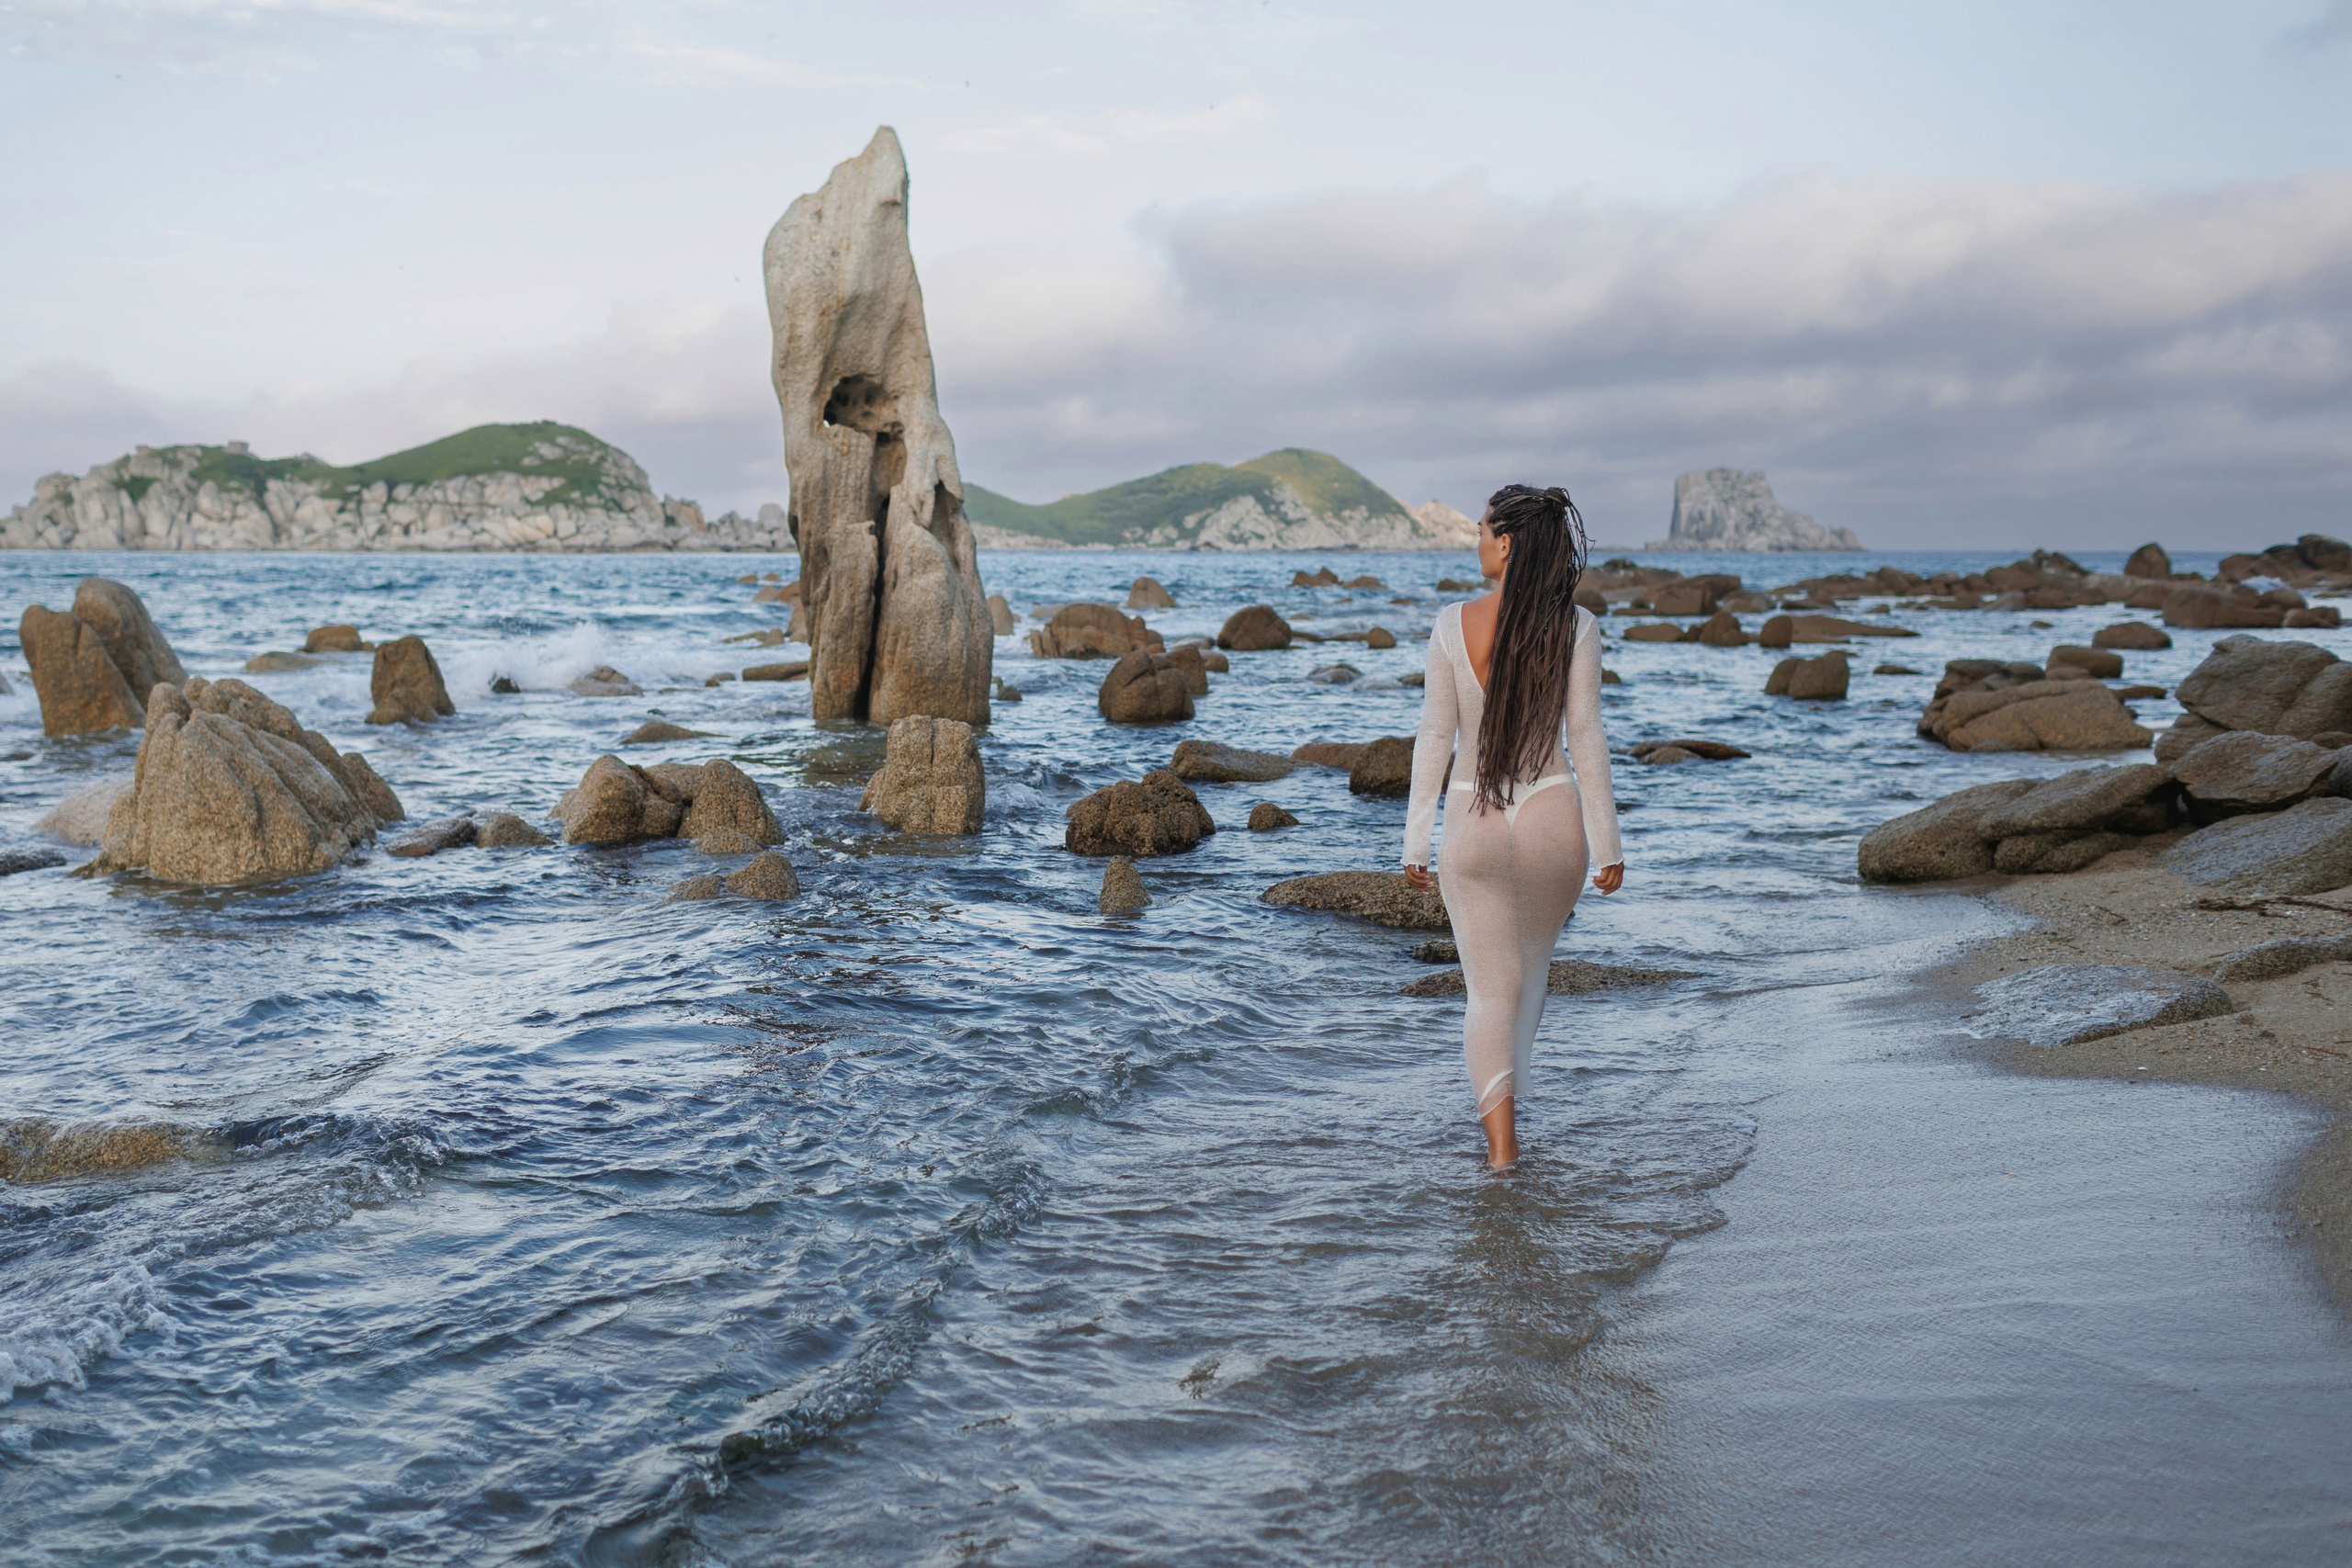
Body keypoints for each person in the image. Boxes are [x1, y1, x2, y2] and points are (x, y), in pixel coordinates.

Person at [1402, 483, 1623, 1169]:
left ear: (1506, 544)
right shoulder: (1577, 625)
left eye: (1481, 532)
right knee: (1529, 978)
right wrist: (1609, 842)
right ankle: (1513, 1109)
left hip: (1476, 816)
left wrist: (1415, 840)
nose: (1474, 543)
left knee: (1489, 993)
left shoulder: (1450, 624)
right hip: (1555, 815)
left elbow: (1434, 738)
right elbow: (1585, 736)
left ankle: (1502, 1152)